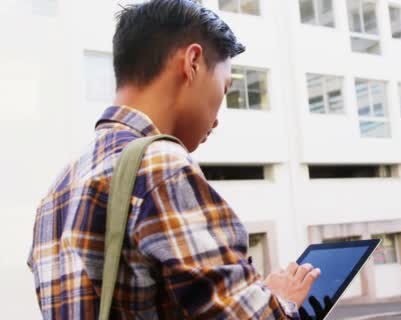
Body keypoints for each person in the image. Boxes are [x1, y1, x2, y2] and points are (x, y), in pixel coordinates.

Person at [27, 0, 320, 319]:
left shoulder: (60, 187)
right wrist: (281, 300)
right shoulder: (160, 163)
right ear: (192, 62)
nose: (218, 116)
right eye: (224, 89)